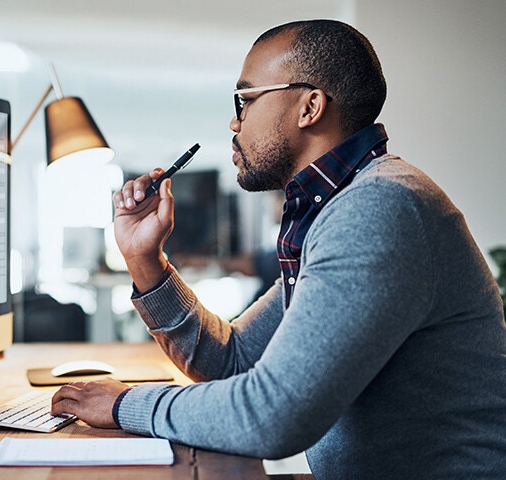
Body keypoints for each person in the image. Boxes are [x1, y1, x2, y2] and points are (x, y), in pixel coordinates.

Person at [51, 19, 506, 479]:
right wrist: (145, 262)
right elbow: (235, 361)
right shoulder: (340, 207)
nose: (235, 121)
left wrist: (127, 404)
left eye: (246, 100)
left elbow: (272, 415)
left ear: (310, 106)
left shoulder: (379, 207)